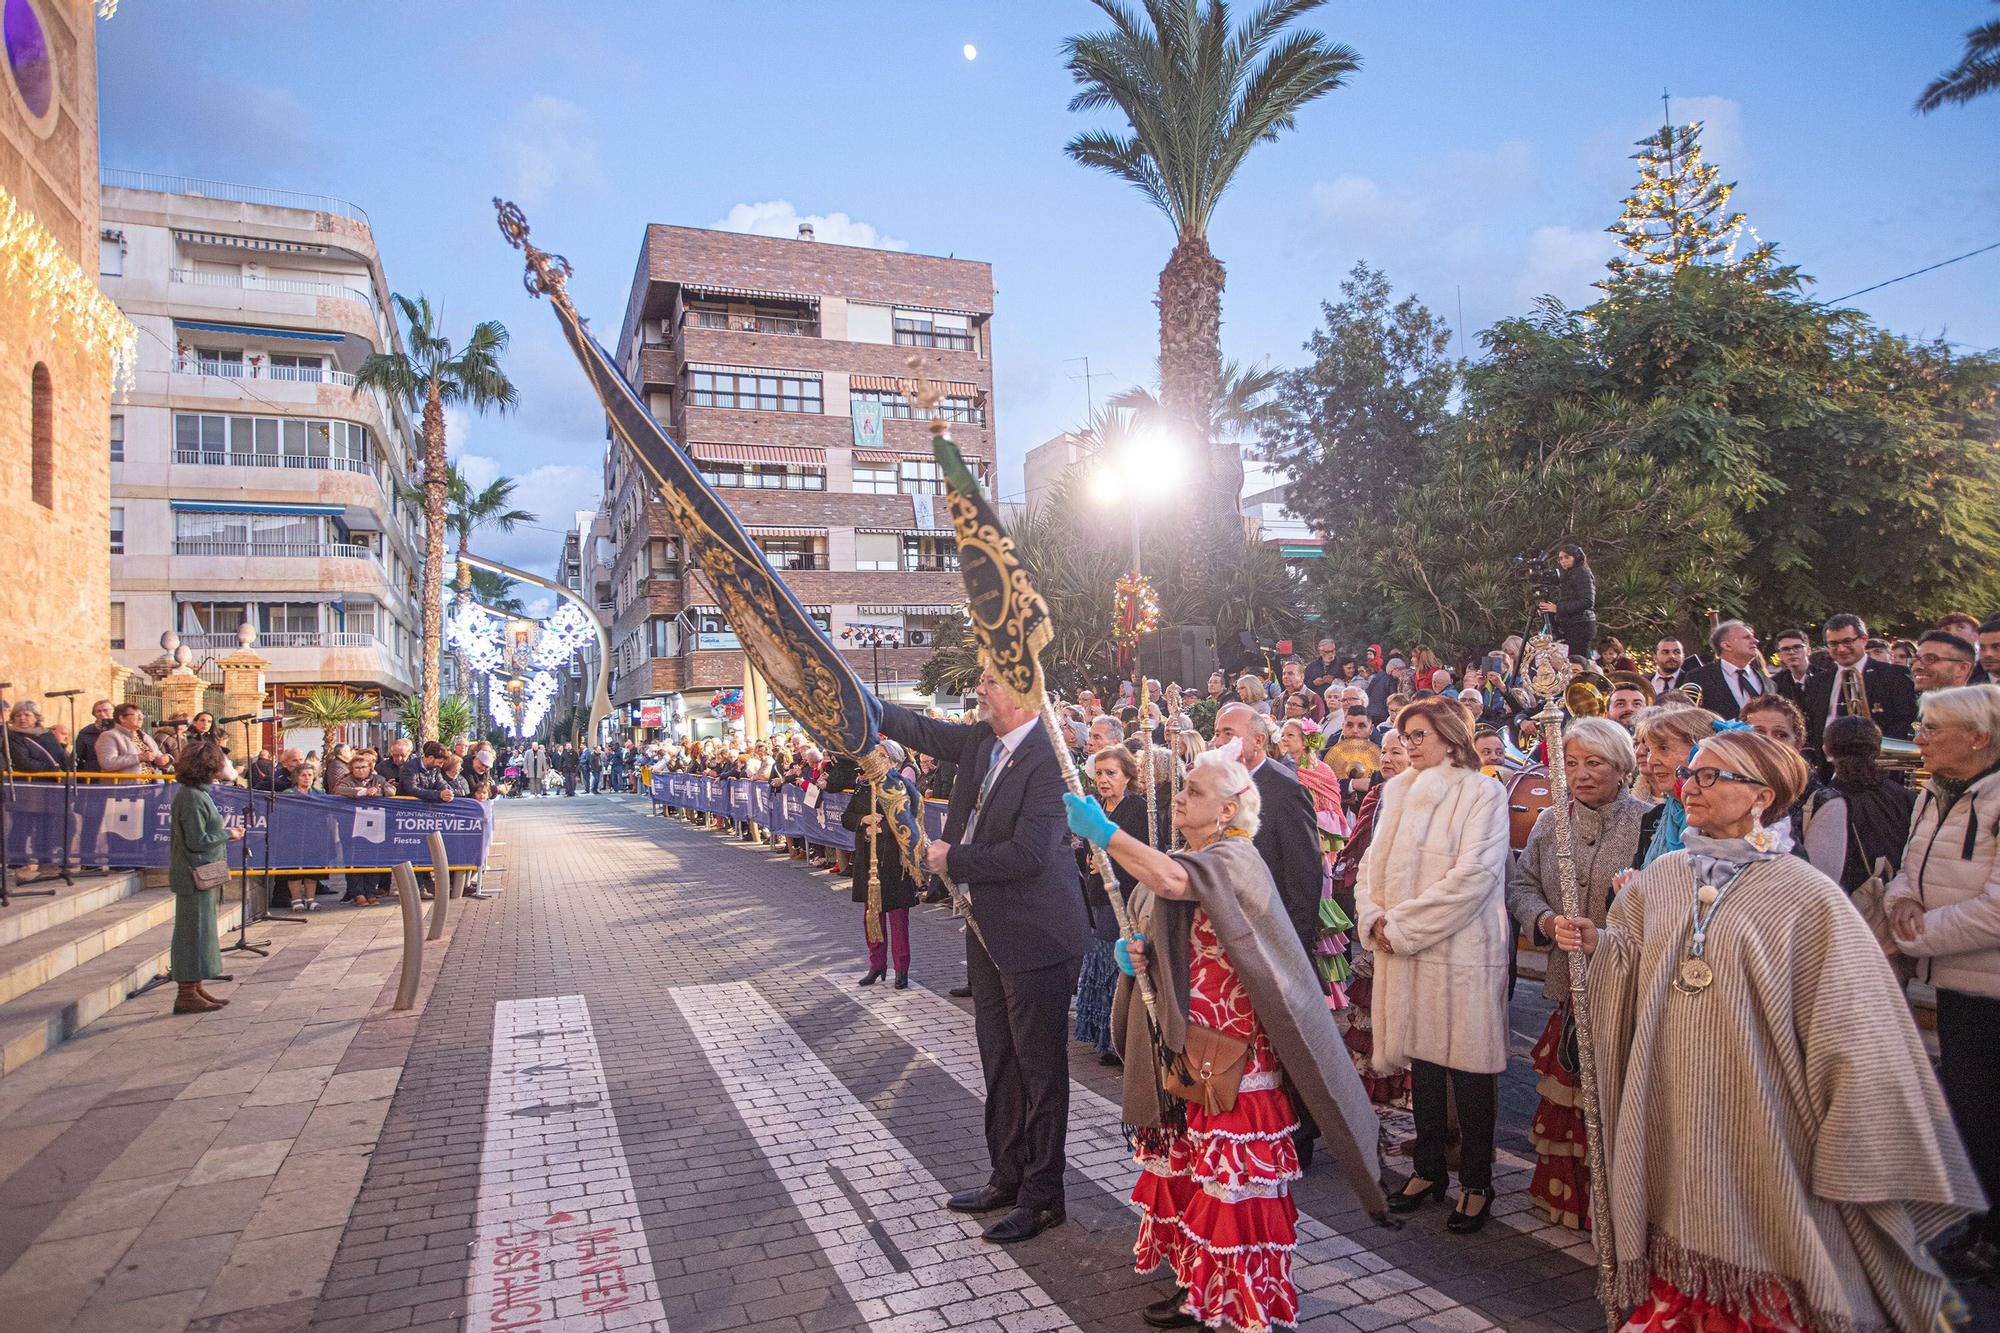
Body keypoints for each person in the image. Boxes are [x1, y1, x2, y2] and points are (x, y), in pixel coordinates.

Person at [1554, 730, 1982, 1333]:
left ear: (1762, 795)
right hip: (1675, 1090)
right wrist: (1600, 943)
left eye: (1710, 776)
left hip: (1761, 1105)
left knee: (1763, 1226)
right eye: (1689, 774)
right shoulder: (1665, 875)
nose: (1689, 788)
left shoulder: (1804, 895)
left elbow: (1852, 1017)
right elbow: (1632, 956)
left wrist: (1848, 1123)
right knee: (1678, 1221)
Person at [1065, 745, 1385, 1332]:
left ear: (1230, 810)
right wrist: (1141, 956)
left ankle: (1240, 1300)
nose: (1179, 796)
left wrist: (1104, 831)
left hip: (1236, 1056)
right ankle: (1200, 1288)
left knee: (1231, 1189)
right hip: (1195, 1048)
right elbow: (1170, 922)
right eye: (1181, 786)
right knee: (1196, 1179)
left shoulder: (1237, 857)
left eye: (1194, 791)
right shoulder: (1199, 852)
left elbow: (1166, 878)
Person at [878, 666, 1090, 1245]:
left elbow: (1029, 853)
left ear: (1023, 695)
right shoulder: (980, 740)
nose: (979, 689)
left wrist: (954, 860)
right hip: (987, 927)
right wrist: (857, 702)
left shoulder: (1051, 761)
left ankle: (1045, 1197)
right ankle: (1008, 1175)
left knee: (1040, 1071)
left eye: (992, 681)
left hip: (1037, 934)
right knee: (999, 1059)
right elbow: (918, 729)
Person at [1355, 697, 1512, 1233]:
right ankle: (1426, 1171)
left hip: (1459, 951)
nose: (1409, 745)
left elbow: (1476, 877)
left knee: (1468, 1070)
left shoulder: (1482, 791)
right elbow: (1369, 867)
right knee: (1422, 1067)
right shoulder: (1395, 791)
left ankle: (1475, 1182)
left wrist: (1402, 929)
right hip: (1403, 949)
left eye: (1419, 735)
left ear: (1449, 736)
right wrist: (1373, 918)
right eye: (1405, 735)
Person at [1506, 718, 1647, 1231]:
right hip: (1571, 985)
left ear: (1622, 766)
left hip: (1626, 984)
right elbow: (1521, 887)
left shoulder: (1648, 823)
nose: (1582, 774)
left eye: (1596, 762)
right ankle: (1569, 1204)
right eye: (1572, 763)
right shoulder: (1549, 823)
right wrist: (1544, 920)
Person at [1885, 683, 2000, 1278]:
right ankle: (1984, 1226)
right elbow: (1911, 864)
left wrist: (1914, 934)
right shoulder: (1935, 791)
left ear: (1978, 737)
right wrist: (1901, 899)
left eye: (1932, 729)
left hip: (1991, 986)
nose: (1919, 739)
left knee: (1990, 1113)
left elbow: (1997, 910)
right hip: (1956, 980)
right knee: (1973, 1112)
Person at [1072, 745, 1164, 1066]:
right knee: (1097, 962)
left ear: (1128, 776)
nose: (1104, 779)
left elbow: (1144, 855)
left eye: (1111, 773)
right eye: (1099, 773)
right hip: (1097, 898)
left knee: (1116, 967)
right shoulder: (1097, 806)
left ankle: (1120, 1038)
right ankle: (1102, 1035)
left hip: (1125, 899)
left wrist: (1108, 862)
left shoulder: (1136, 809)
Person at [1799, 715, 1917, 895]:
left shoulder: (1827, 801)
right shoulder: (1906, 796)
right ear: (1878, 751)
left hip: (1848, 906)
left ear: (1826, 751)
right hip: (1899, 899)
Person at [167, 741, 241, 1014]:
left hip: (202, 873)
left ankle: (195, 986)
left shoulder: (199, 794)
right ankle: (185, 992)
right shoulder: (191, 797)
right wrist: (227, 834)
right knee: (192, 934)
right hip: (193, 873)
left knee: (203, 933)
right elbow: (198, 840)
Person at [840, 743, 919, 991]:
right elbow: (847, 818)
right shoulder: (864, 786)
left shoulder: (902, 787)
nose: (876, 760)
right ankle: (876, 965)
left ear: (894, 761)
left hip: (894, 862)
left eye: (882, 756)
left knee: (897, 918)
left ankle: (901, 969)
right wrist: (863, 820)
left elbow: (911, 821)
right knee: (872, 916)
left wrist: (884, 829)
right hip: (868, 861)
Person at [1805, 612, 1919, 742]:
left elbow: (1905, 721)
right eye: (1834, 644)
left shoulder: (1894, 675)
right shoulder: (1818, 681)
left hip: (1876, 757)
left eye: (1847, 641)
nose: (1841, 649)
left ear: (1864, 639)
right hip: (1827, 760)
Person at [1632, 706, 1722, 863]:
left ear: (1702, 751)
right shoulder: (1654, 818)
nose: (1651, 761)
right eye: (1649, 751)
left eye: (1663, 748)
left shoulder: (1725, 821)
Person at [334, 748, 393, 906]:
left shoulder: (378, 778)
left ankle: (371, 892)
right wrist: (361, 792)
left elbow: (391, 790)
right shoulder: (346, 780)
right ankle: (357, 893)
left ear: (370, 768)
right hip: (351, 827)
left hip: (374, 827)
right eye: (357, 768)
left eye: (363, 767)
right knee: (353, 860)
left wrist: (378, 792)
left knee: (372, 859)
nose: (360, 771)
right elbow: (338, 790)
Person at [1679, 619, 1768, 722]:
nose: (1755, 641)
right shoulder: (1698, 678)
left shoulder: (1768, 682)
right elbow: (1689, 718)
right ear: (1726, 645)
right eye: (1747, 637)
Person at [1538, 543, 1596, 657]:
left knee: (1577, 660)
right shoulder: (1570, 574)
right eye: (1560, 558)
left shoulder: (1582, 573)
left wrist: (1558, 608)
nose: (1563, 561)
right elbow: (1570, 598)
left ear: (1576, 557)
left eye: (1567, 557)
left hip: (1580, 625)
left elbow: (1587, 601)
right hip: (1572, 624)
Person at [1912, 628, 1978, 695]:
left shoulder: (1980, 704)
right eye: (1915, 659)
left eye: (1930, 659)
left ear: (1962, 669)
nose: (1916, 667)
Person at [72, 698, 114, 770]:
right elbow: (76, 757)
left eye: (106, 710)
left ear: (114, 712)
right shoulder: (85, 733)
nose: (102, 714)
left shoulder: (122, 730)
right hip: (93, 776)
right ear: (94, 714)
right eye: (98, 711)